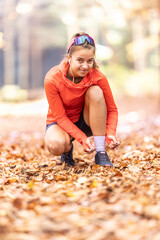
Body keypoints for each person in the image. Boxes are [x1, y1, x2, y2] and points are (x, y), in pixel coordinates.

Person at [44, 32, 120, 167]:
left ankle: (101, 153)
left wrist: (111, 133)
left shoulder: (98, 77)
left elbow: (112, 109)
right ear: (69, 58)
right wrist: (82, 139)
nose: (85, 66)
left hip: (87, 120)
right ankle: (67, 150)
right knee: (55, 145)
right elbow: (60, 118)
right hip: (61, 123)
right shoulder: (52, 78)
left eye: (89, 60)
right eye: (80, 60)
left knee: (96, 91)